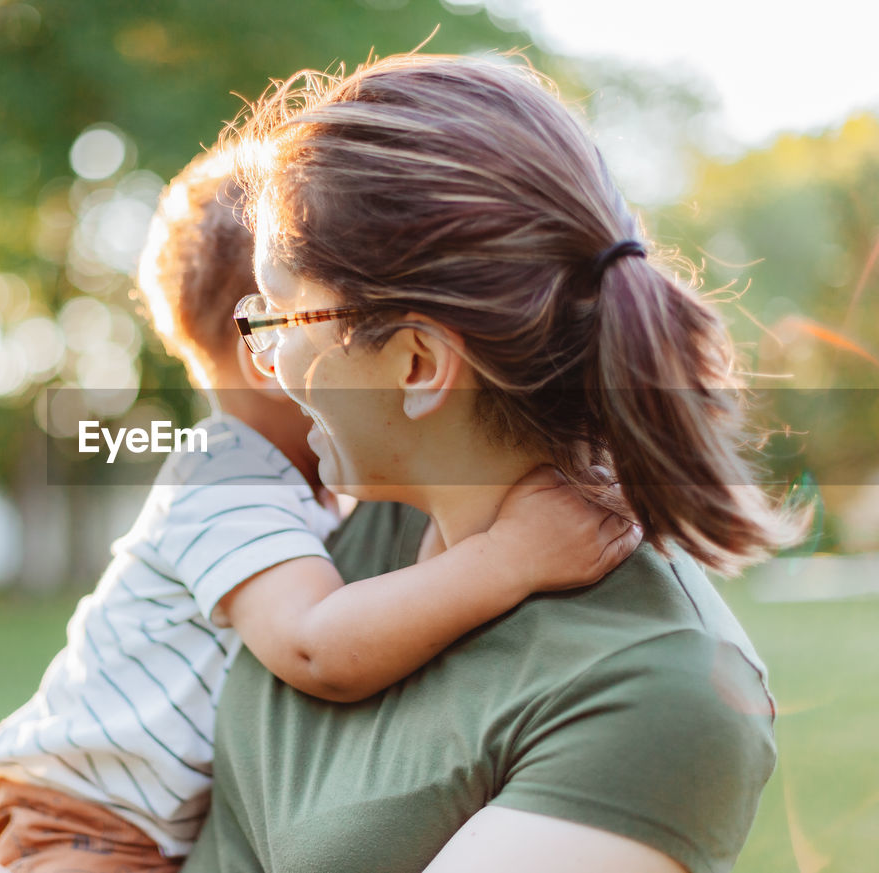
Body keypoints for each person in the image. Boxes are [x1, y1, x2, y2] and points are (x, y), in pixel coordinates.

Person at [181, 55, 805, 873]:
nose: (263, 362)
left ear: (416, 364)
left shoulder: (657, 692)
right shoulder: (347, 515)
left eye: (281, 316)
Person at [0, 149, 640, 872]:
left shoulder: (317, 483)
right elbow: (317, 645)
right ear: (260, 348)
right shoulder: (223, 472)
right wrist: (512, 557)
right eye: (292, 321)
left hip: (143, 821)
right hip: (75, 817)